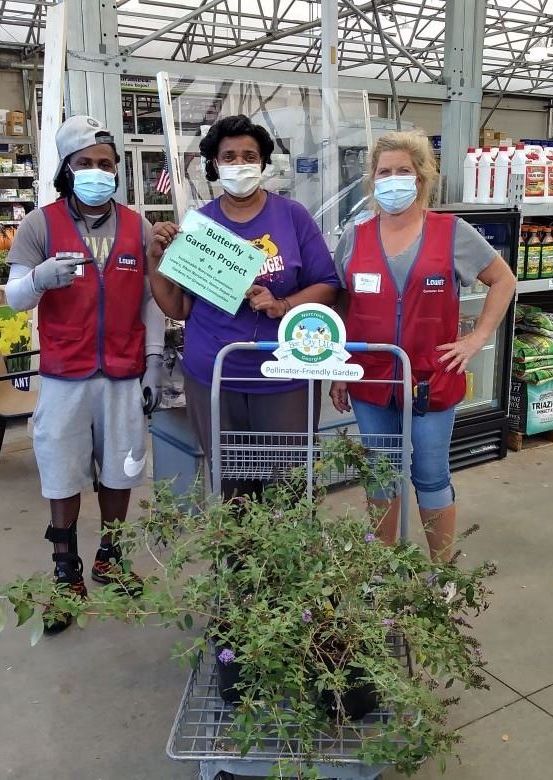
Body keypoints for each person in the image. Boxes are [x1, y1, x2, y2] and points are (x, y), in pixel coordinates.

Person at [5, 115, 165, 633]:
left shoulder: (138, 226)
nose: (98, 172)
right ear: (67, 169)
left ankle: (110, 558)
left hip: (123, 371)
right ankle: (65, 570)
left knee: (121, 470)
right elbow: (11, 299)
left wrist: (155, 362)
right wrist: (38, 279)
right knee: (61, 471)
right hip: (64, 374)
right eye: (86, 164)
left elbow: (152, 303)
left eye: (106, 165)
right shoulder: (40, 224)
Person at [329, 130, 516, 563]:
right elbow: (341, 302)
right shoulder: (355, 237)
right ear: (373, 182)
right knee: (381, 475)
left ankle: (443, 572)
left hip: (431, 379)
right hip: (371, 379)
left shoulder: (452, 232)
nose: (393, 179)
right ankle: (383, 567)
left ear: (421, 178)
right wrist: (339, 366)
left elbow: (503, 280)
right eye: (384, 172)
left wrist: (477, 337)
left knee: (431, 474)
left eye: (403, 171)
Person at [146, 114, 340, 499]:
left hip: (285, 374)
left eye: (249, 156)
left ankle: (282, 562)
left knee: (288, 488)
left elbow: (328, 285)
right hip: (214, 376)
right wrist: (155, 259)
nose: (240, 165)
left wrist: (283, 303)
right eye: (229, 157)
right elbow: (180, 306)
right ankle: (235, 562)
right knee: (233, 490)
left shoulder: (292, 216)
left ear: (264, 163)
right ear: (214, 166)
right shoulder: (199, 226)